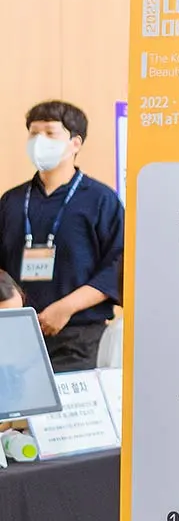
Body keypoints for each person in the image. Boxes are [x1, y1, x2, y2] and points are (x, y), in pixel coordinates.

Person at [0, 101, 124, 372]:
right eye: (34, 133)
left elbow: (117, 265)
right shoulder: (12, 200)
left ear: (75, 143)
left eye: (50, 133)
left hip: (78, 335)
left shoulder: (101, 200)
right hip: (18, 335)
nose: (39, 141)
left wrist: (65, 308)